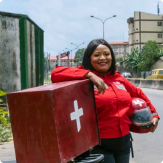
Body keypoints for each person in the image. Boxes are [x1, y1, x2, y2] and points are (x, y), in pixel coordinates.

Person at [51, 39, 160, 163]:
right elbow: (56, 73)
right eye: (97, 55)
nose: (102, 58)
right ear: (89, 58)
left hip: (124, 144)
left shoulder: (118, 78)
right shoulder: (83, 77)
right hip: (99, 146)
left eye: (107, 54)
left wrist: (153, 113)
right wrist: (90, 75)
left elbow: (138, 93)